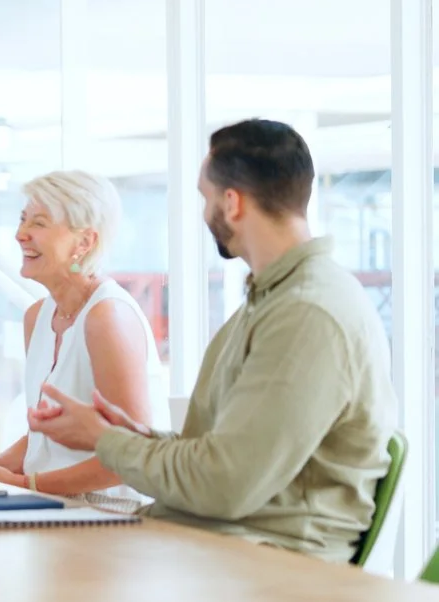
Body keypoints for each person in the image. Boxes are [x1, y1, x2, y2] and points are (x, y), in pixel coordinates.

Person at [28, 118, 397, 563]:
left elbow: (227, 484)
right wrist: (128, 436)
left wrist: (109, 443)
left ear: (232, 203)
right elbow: (224, 456)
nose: (204, 214)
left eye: (205, 198)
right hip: (215, 540)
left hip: (264, 561)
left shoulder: (305, 313)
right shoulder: (269, 302)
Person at [0, 171, 168, 506]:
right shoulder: (37, 316)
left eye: (40, 223)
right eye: (22, 220)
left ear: (84, 242)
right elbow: (43, 440)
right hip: (52, 504)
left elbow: (130, 458)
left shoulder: (108, 317)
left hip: (113, 514)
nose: (20, 235)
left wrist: (23, 482)